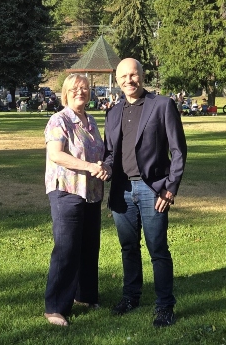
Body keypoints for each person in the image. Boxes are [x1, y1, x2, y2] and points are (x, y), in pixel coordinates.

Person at [103, 58, 187, 328]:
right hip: (122, 190)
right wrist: (103, 167)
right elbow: (111, 153)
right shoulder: (113, 112)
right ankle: (131, 297)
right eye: (123, 76)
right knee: (128, 248)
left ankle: (164, 306)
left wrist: (170, 189)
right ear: (117, 81)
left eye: (133, 75)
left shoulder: (162, 105)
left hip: (153, 190)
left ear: (142, 75)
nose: (129, 80)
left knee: (157, 249)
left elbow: (178, 151)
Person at [43, 74, 110, 327]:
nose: (80, 92)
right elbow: (56, 155)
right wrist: (89, 166)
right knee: (67, 248)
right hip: (67, 191)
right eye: (75, 89)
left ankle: (85, 296)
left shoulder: (90, 121)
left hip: (91, 192)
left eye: (85, 89)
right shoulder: (59, 120)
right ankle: (55, 308)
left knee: (89, 246)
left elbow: (98, 153)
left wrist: (101, 166)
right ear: (66, 93)